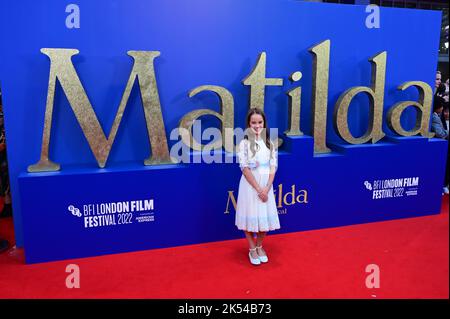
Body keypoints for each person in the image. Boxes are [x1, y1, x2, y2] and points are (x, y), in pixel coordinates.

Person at [235, 107, 280, 265]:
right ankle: (252, 248)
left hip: (266, 186)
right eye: (253, 122)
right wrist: (258, 189)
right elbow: (244, 168)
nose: (257, 125)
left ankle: (260, 245)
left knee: (265, 218)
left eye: (260, 122)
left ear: (264, 123)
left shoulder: (270, 143)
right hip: (250, 186)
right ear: (248, 124)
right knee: (249, 218)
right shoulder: (244, 143)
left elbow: (273, 166)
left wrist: (267, 187)